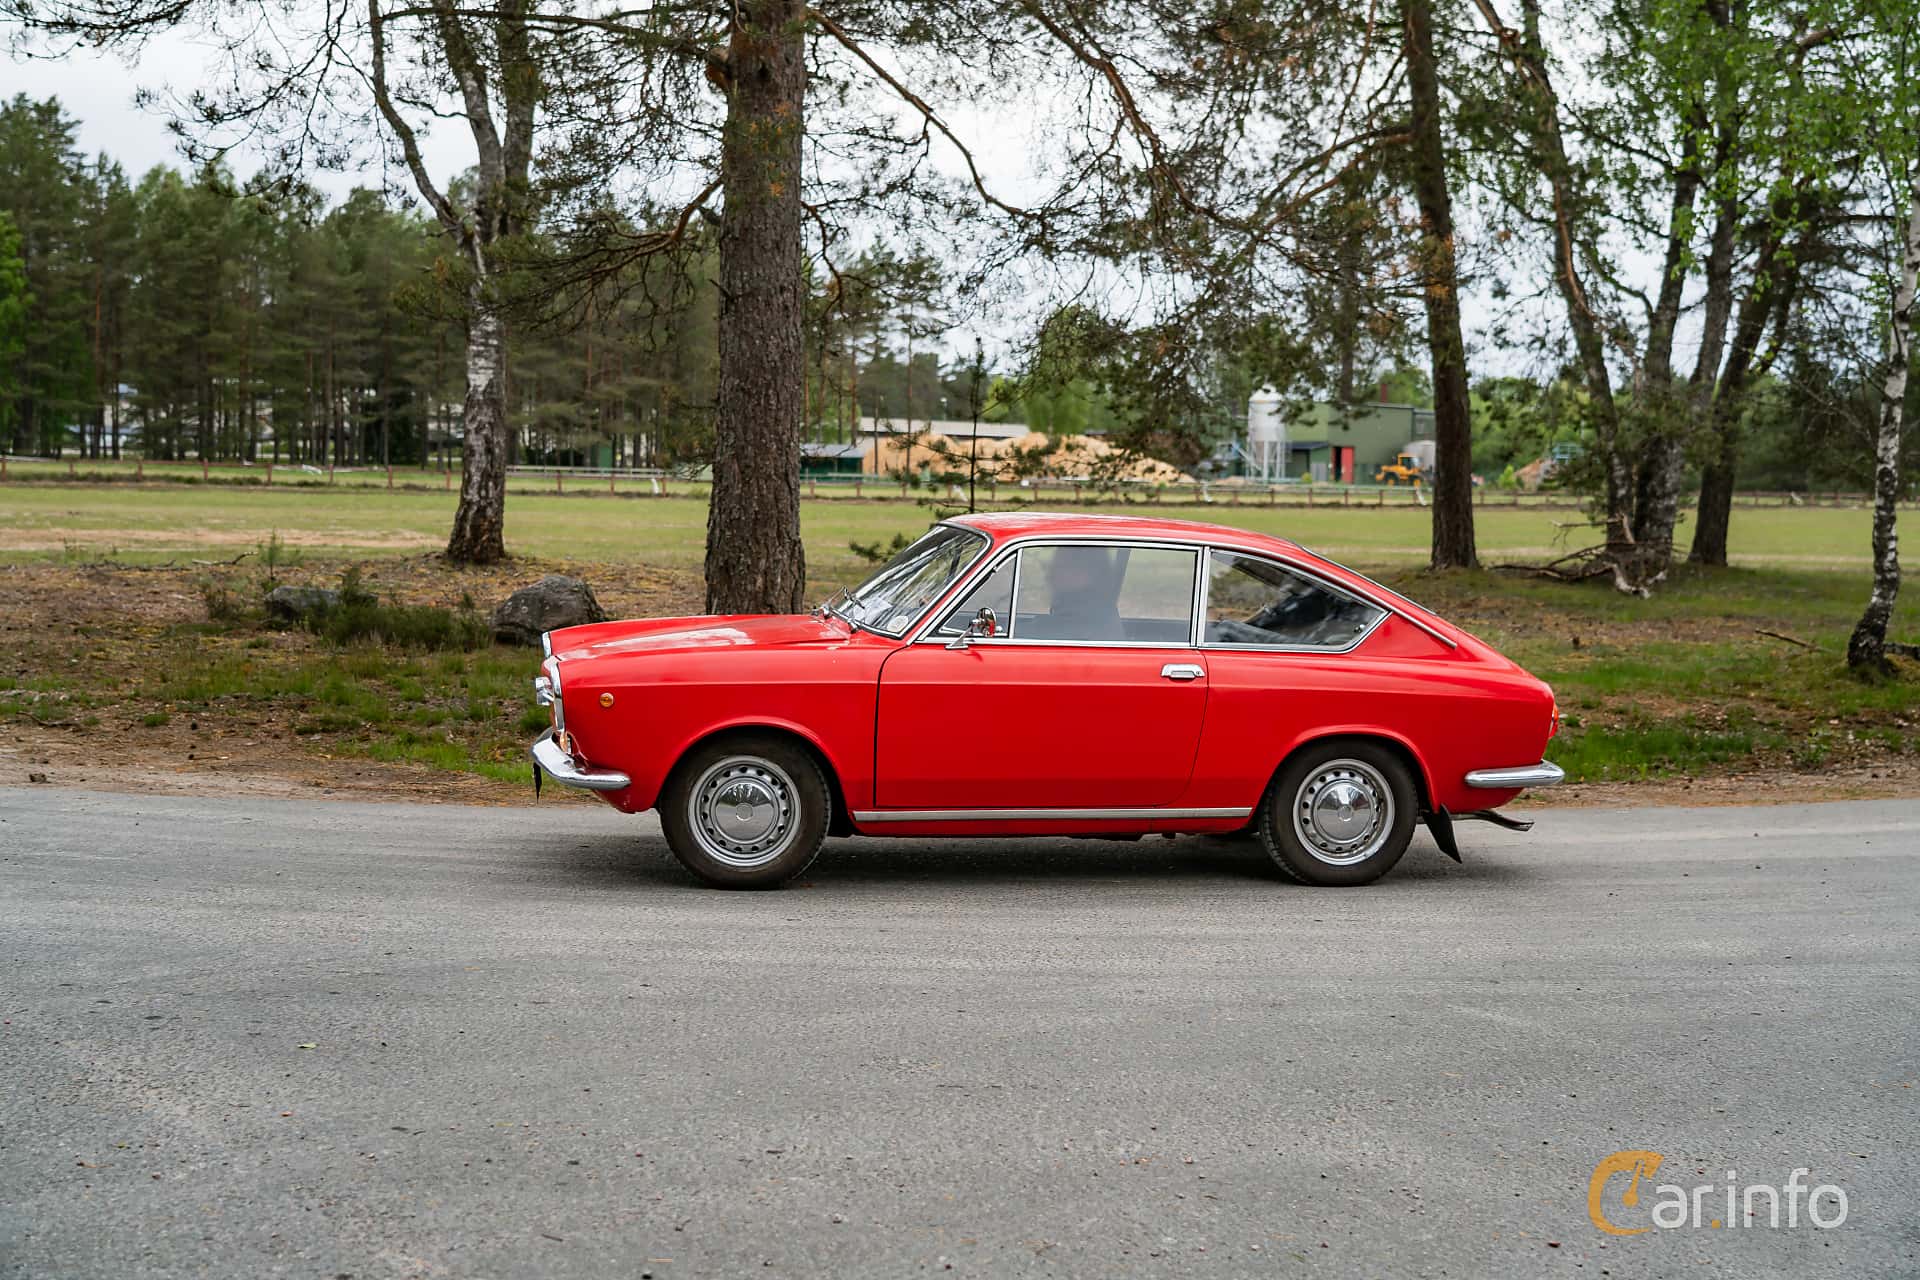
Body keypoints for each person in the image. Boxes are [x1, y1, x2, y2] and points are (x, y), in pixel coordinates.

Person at [1038, 547, 1123, 641]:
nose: (1050, 575)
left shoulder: (1080, 617)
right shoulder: (1102, 608)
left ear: (1084, 574)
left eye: (1059, 566)